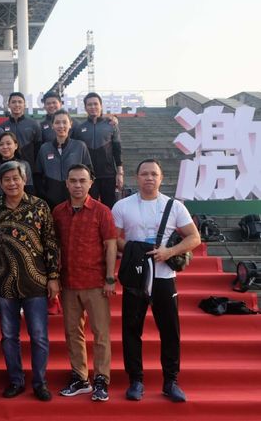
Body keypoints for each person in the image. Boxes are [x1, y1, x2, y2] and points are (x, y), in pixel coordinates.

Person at [111, 159, 200, 403]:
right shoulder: (122, 206)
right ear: (136, 177)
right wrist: (131, 249)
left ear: (161, 178)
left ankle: (171, 381)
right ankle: (136, 380)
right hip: (136, 277)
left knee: (170, 331)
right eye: (144, 174)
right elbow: (112, 238)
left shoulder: (174, 206)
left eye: (154, 174)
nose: (149, 178)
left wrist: (170, 252)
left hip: (164, 277)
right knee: (131, 330)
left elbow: (194, 237)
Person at [0, 161, 60, 402]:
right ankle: (16, 381)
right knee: (9, 336)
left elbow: (50, 243)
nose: (11, 183)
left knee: (38, 335)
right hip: (3, 280)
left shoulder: (39, 206)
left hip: (35, 280)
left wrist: (53, 277)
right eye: (6, 179)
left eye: (15, 178)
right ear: (0, 183)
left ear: (24, 178)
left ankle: (40, 382)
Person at [52, 164, 117, 402]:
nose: (78, 185)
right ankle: (80, 377)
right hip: (68, 282)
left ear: (91, 183)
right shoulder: (58, 211)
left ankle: (101, 379)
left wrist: (110, 278)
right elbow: (54, 246)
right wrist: (55, 277)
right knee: (72, 333)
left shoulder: (101, 211)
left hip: (96, 282)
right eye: (73, 181)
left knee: (100, 333)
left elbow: (110, 245)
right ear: (67, 184)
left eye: (82, 180)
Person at [71, 92, 124, 208]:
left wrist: (120, 172)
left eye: (95, 104)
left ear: (101, 106)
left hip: (108, 174)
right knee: (89, 207)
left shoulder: (111, 125)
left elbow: (117, 149)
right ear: (85, 108)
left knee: (109, 207)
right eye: (89, 105)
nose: (93, 107)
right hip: (88, 176)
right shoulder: (80, 128)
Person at [34, 110, 92, 209]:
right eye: (57, 122)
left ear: (70, 124)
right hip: (50, 200)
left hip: (76, 199)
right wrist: (44, 195)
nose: (61, 126)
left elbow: (90, 172)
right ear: (52, 125)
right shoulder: (44, 148)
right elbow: (37, 175)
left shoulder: (80, 146)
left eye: (64, 122)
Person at [0, 92, 42, 169]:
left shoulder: (34, 124)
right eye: (13, 102)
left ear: (24, 105)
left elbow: (38, 149)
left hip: (29, 168)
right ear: (8, 105)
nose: (17, 105)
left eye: (20, 102)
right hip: (8, 167)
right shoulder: (2, 127)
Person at [0, 132, 33, 198]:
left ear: (16, 146)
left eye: (8, 143)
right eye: (1, 144)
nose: (5, 147)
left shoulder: (24, 165)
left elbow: (29, 189)